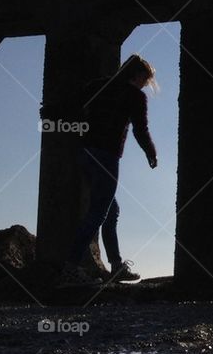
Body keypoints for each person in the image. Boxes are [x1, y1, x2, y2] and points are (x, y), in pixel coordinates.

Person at [56, 55, 158, 286]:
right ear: (138, 75)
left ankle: (116, 266)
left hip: (85, 154)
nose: (145, 84)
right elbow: (140, 130)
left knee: (111, 210)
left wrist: (52, 112)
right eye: (146, 79)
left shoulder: (98, 85)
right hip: (106, 156)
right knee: (98, 213)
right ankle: (70, 268)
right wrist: (151, 152)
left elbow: (73, 103)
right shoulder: (135, 96)